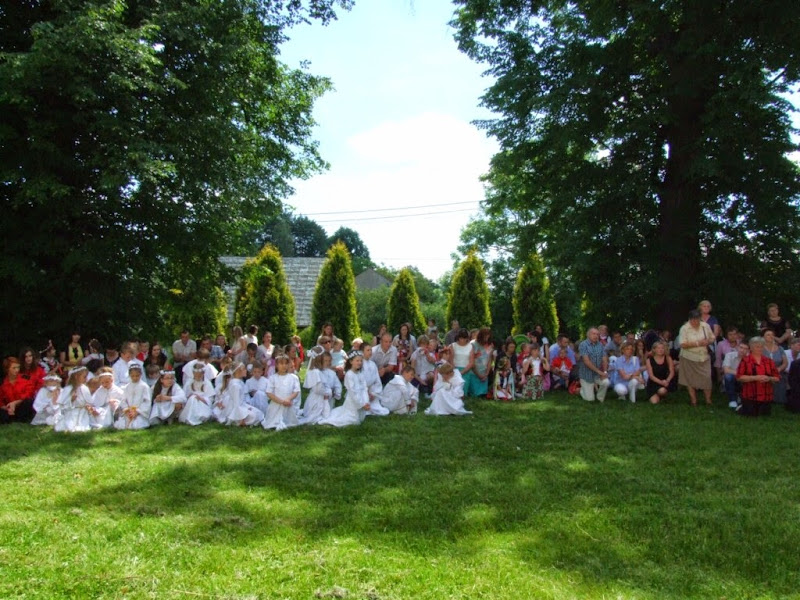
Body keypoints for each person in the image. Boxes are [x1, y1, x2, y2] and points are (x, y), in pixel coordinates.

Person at [320, 351, 371, 427]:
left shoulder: (360, 374)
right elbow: (352, 392)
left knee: (360, 419)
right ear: (351, 361)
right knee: (352, 420)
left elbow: (364, 389)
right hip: (354, 401)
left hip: (362, 400)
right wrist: (361, 404)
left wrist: (366, 402)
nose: (360, 363)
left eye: (361, 361)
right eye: (357, 360)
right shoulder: (349, 374)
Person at [678, 309, 715, 406]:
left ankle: (708, 400)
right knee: (689, 379)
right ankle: (693, 400)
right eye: (693, 320)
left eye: (697, 319)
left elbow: (712, 338)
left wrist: (708, 341)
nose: (695, 322)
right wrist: (698, 343)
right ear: (689, 319)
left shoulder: (705, 326)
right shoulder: (684, 328)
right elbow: (682, 344)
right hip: (689, 357)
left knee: (707, 378)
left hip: (704, 356)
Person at [737, 336, 780, 417]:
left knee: (764, 416)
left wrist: (769, 378)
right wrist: (755, 378)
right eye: (757, 347)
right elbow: (739, 377)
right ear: (751, 348)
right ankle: (741, 407)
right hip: (750, 396)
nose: (759, 349)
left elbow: (777, 378)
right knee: (750, 416)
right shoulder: (745, 361)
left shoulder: (769, 361)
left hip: (766, 396)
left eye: (761, 346)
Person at [215, 362, 263, 426]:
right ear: (238, 371)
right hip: (236, 408)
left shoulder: (239, 382)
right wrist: (241, 418)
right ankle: (239, 421)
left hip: (241, 405)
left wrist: (246, 407)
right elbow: (236, 404)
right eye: (244, 369)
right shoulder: (235, 385)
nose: (246, 371)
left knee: (259, 413)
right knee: (254, 416)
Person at [262, 355, 300, 430]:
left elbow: (296, 391)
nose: (284, 366)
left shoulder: (293, 377)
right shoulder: (273, 378)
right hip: (276, 403)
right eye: (281, 364)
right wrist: (282, 401)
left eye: (286, 363)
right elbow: (269, 393)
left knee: (290, 422)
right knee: (273, 421)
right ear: (276, 365)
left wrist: (288, 399)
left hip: (288, 404)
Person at [299, 352, 335, 425]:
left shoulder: (318, 371)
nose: (327, 363)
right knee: (320, 414)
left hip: (319, 396)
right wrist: (328, 392)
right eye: (324, 361)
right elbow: (318, 389)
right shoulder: (316, 372)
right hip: (318, 398)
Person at [54, 366, 92, 432]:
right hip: (72, 412)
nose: (86, 379)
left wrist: (88, 406)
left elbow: (89, 401)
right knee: (70, 426)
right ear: (76, 377)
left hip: (83, 412)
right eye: (84, 377)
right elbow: (62, 406)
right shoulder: (68, 389)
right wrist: (71, 400)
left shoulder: (85, 388)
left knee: (84, 426)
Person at [114, 364, 152, 430]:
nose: (135, 378)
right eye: (132, 376)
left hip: (140, 412)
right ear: (129, 375)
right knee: (121, 425)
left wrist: (137, 411)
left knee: (137, 425)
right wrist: (127, 409)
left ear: (141, 374)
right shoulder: (127, 387)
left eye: (137, 376)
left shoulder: (144, 386)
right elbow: (123, 400)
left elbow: (147, 401)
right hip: (129, 410)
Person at [578, 328, 611, 402]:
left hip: (597, 375)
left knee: (606, 382)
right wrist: (600, 372)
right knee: (590, 400)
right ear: (588, 335)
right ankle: (582, 390)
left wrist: (605, 372)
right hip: (586, 375)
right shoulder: (583, 345)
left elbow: (604, 359)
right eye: (593, 334)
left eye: (597, 334)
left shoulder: (600, 345)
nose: (596, 336)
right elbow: (586, 361)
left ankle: (600, 397)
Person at [0, 357, 36, 424]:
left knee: (28, 402)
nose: (17, 370)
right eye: (14, 368)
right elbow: (1, 401)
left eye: (18, 367)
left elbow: (29, 394)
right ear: (7, 369)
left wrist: (15, 403)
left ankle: (21, 419)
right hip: (10, 408)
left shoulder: (26, 378)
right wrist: (7, 408)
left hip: (23, 406)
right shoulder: (3, 383)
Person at [762, 329, 787, 405]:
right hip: (763, 371)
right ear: (763, 337)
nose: (771, 336)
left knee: (780, 378)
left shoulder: (780, 348)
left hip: (778, 371)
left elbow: (785, 363)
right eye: (768, 335)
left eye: (772, 335)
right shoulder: (760, 348)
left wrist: (779, 369)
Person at [722, 342, 749, 408]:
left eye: (745, 349)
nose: (742, 350)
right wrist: (740, 373)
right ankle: (732, 400)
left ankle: (742, 397)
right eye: (741, 347)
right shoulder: (729, 355)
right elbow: (726, 370)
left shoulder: (750, 358)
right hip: (733, 377)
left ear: (748, 350)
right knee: (728, 376)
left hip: (744, 378)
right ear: (737, 347)